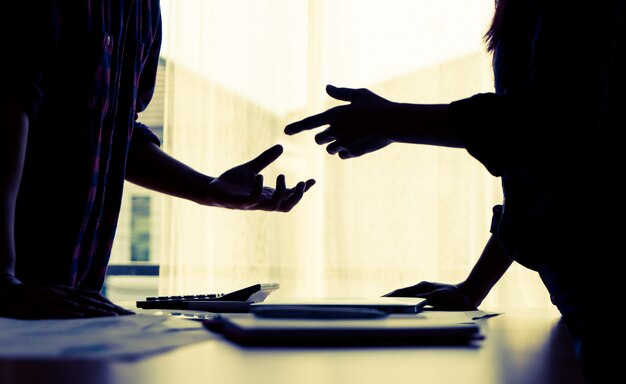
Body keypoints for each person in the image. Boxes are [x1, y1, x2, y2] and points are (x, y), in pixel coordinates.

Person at [285, 1, 624, 381]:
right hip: (588, 293)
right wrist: (472, 287)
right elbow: (536, 166)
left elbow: (552, 123)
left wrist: (390, 120)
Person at [0, 1, 315, 320]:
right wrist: (2, 281)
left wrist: (209, 189)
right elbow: (8, 102)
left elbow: (118, 133)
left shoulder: (143, 9)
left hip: (66, 296)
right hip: (15, 297)